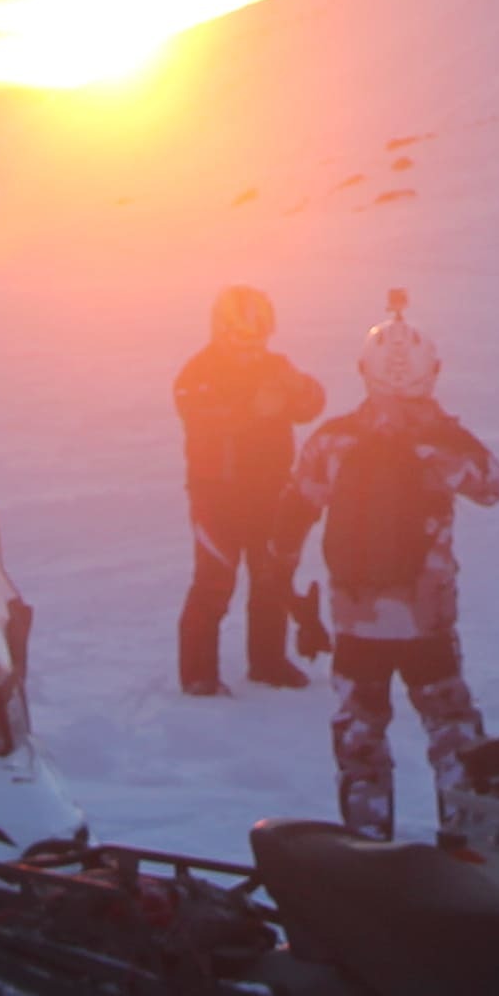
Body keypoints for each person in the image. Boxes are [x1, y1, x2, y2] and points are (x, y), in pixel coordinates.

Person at [290, 292, 499, 843]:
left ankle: (367, 842)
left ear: (364, 369)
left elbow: (300, 500)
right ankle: (466, 840)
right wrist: (442, 432)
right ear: (429, 372)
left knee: (360, 732)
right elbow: (494, 487)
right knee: (451, 728)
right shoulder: (440, 443)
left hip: (354, 616)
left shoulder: (334, 439)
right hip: (426, 618)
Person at [171, 285, 326, 695]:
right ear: (221, 332)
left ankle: (269, 662)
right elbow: (198, 413)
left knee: (270, 575)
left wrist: (297, 387)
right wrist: (251, 410)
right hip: (216, 492)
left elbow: (313, 404)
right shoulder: (198, 371)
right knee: (214, 580)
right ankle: (198, 674)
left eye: (259, 338)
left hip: (271, 488)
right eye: (242, 338)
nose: (251, 347)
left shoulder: (275, 365)